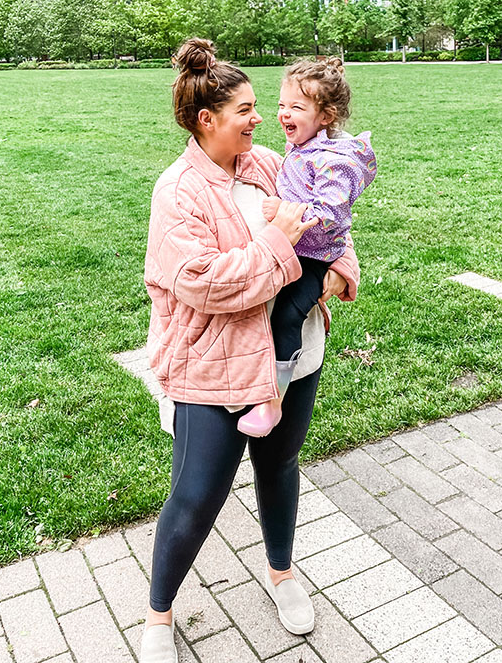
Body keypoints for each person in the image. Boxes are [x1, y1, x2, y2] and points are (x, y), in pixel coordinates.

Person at [140, 39, 360, 663]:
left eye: (262, 106)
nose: (259, 118)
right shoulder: (177, 191)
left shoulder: (269, 163)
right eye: (246, 109)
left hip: (295, 357)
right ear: (207, 120)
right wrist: (274, 245)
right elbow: (205, 283)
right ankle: (158, 614)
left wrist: (342, 271)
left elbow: (328, 227)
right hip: (213, 368)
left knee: (279, 469)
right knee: (196, 493)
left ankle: (283, 573)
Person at [237, 58, 377, 438]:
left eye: (296, 107)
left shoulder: (335, 162)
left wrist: (282, 210)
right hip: (297, 249)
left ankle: (272, 402)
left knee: (285, 316)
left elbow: (330, 214)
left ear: (326, 115)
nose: (283, 114)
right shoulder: (303, 146)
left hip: (314, 257)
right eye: (281, 104)